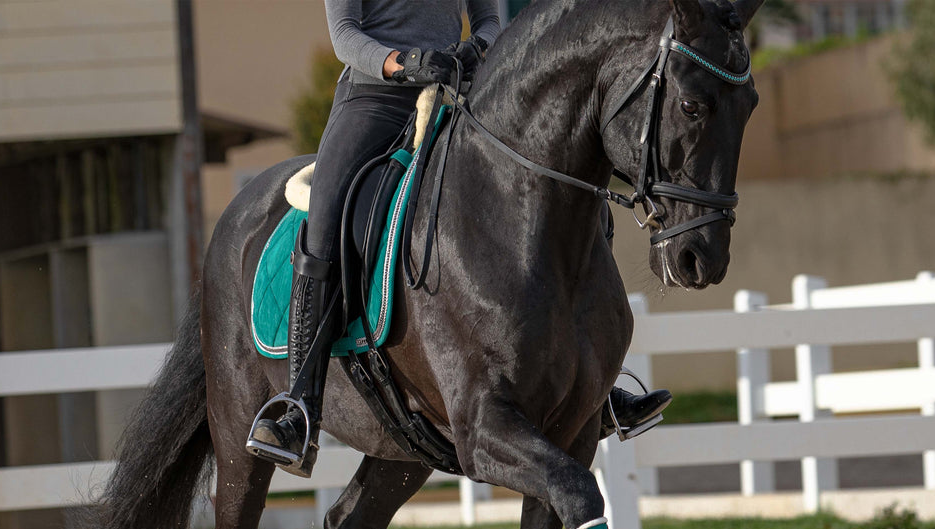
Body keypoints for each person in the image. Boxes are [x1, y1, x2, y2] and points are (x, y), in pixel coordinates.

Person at [248, 0, 669, 477]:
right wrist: (402, 62)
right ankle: (299, 404)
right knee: (325, 221)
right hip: (376, 101)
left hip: (463, 97)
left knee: (569, 201)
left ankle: (594, 386)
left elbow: (489, 16)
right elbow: (345, 35)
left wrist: (479, 47)